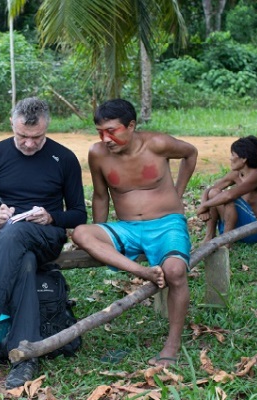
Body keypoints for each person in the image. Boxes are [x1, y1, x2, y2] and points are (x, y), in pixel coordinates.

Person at [0, 97, 86, 389]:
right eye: (23, 136)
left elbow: (78, 214)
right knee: (23, 259)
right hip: (6, 237)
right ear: (12, 125)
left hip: (45, 236)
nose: (30, 144)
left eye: (37, 137)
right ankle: (25, 358)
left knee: (15, 235)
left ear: (47, 128)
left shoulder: (65, 158)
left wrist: (51, 216)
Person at [71, 99, 198, 367]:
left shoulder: (157, 144)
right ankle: (141, 271)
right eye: (100, 132)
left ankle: (172, 346)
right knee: (82, 234)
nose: (106, 138)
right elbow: (100, 196)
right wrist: (99, 232)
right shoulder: (97, 154)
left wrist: (178, 193)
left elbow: (191, 153)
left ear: (131, 126)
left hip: (166, 224)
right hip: (127, 229)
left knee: (175, 271)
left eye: (112, 130)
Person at [197, 135, 257, 244]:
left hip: (256, 231)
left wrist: (205, 205)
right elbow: (211, 190)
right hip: (238, 229)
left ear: (244, 158)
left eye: (233, 155)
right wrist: (204, 205)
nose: (230, 158)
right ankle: (210, 236)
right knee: (214, 193)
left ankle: (226, 243)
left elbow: (229, 195)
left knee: (228, 198)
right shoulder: (236, 174)